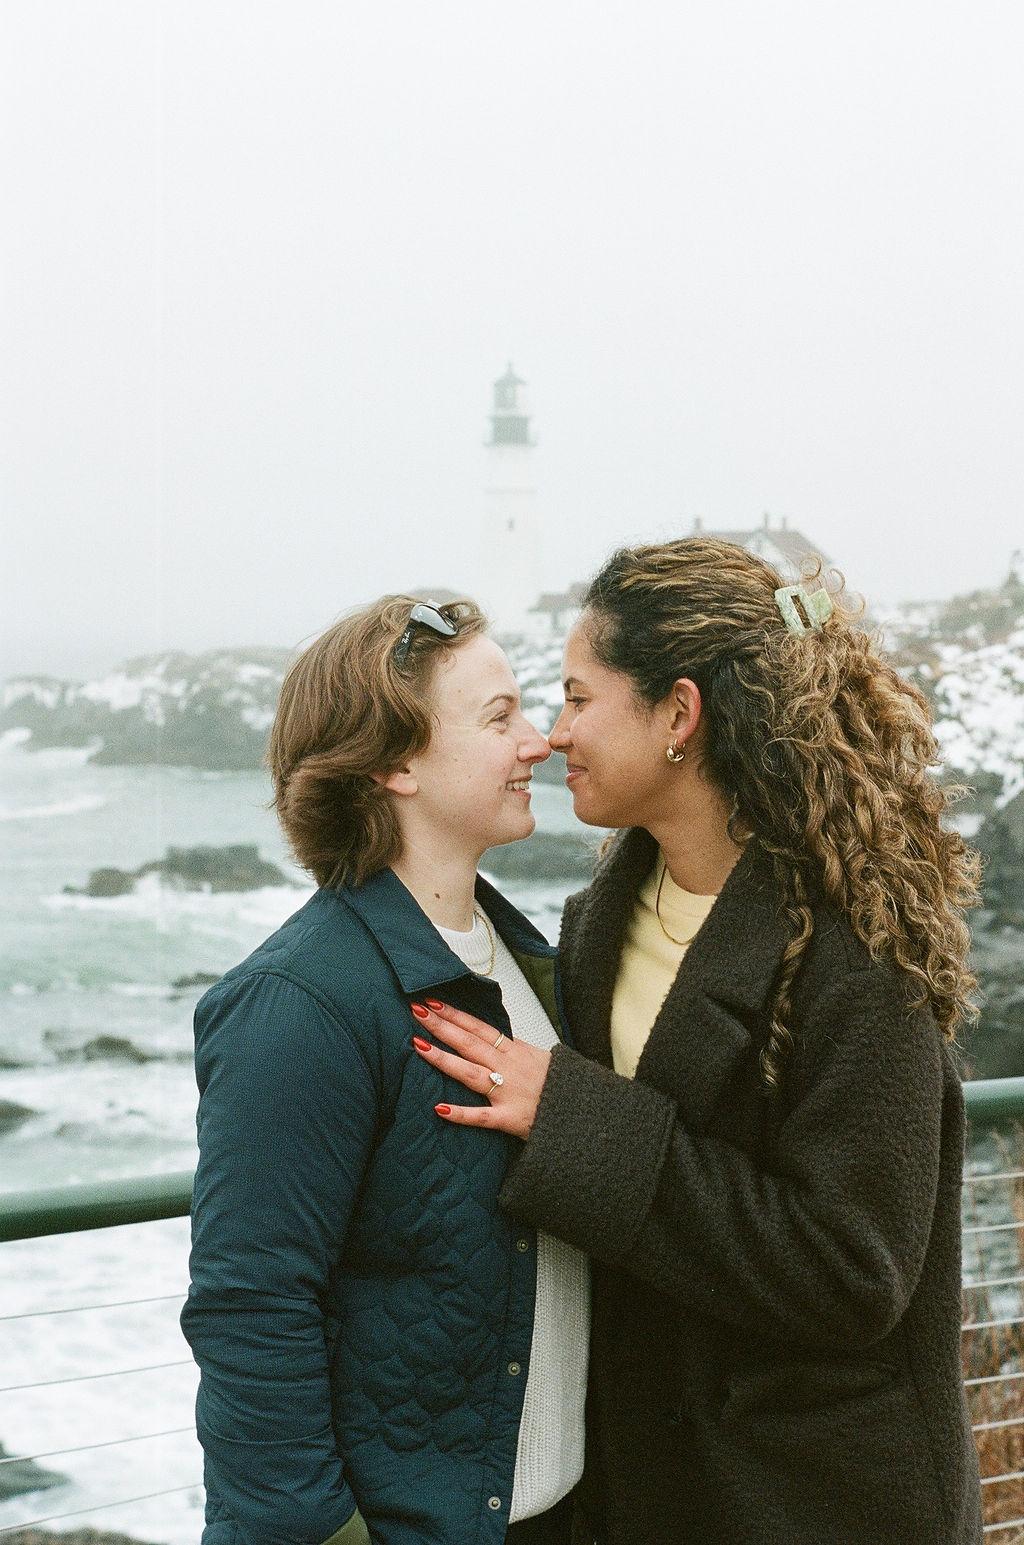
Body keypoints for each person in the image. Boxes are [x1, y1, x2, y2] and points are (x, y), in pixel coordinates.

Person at [411, 537, 985, 1545]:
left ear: (678, 715)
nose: (555, 734)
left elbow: (853, 1269)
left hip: (816, 1497)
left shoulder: (856, 944)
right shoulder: (598, 922)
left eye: (579, 698)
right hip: (645, 1489)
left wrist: (571, 1118)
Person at [180, 595, 590, 1545]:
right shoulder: (298, 1002)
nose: (538, 744)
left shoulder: (532, 966)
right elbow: (250, 1307)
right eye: (499, 718)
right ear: (395, 763)